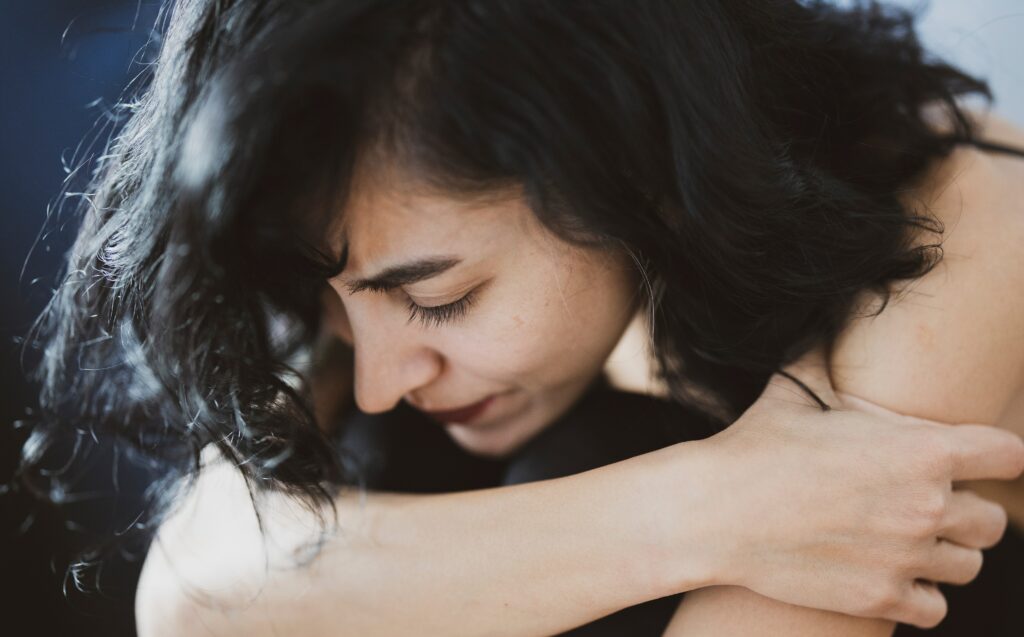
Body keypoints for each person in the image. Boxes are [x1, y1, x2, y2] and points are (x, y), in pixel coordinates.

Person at [20, 0, 1024, 635]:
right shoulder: (358, 235)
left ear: (630, 161)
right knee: (375, 458)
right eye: (327, 301)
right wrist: (718, 506)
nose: (378, 371)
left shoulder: (964, 210)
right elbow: (195, 589)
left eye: (438, 297)